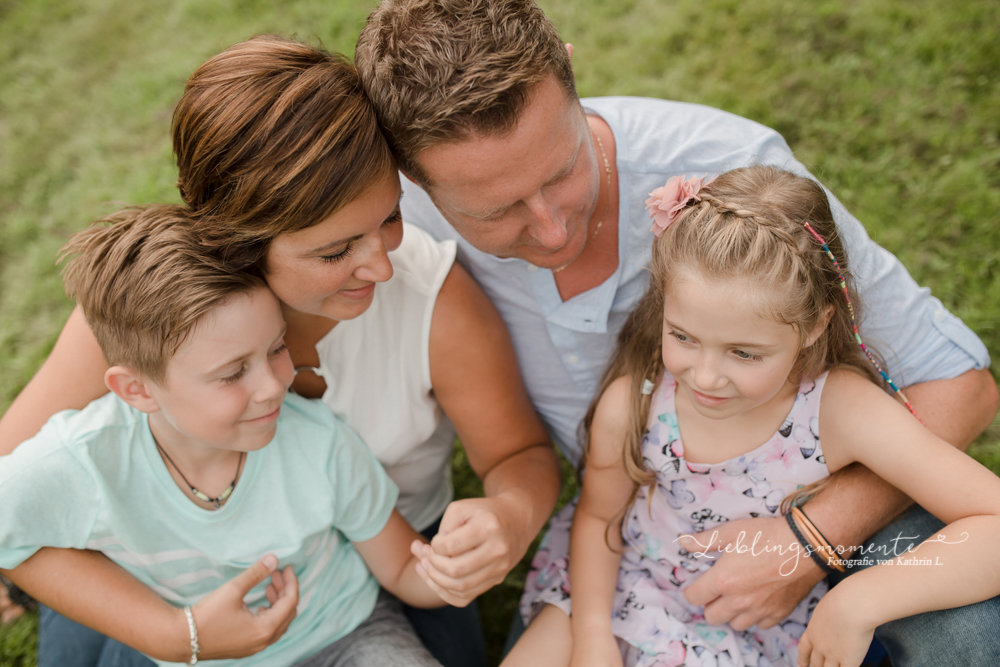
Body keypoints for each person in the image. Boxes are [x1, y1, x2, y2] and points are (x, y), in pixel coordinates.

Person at [353, 1, 999, 663]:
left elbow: (962, 384)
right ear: (412, 180)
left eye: (561, 172)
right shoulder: (392, 235)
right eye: (497, 211)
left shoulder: (735, 181)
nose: (550, 229)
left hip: (825, 489)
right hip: (636, 556)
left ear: (570, 75)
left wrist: (809, 537)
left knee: (973, 635)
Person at [0, 36, 560, 667]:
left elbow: (520, 454)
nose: (381, 265)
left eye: (391, 218)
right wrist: (167, 633)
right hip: (177, 586)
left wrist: (508, 516)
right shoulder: (148, 316)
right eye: (334, 251)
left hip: (377, 570)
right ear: (237, 242)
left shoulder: (428, 295)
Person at [501, 166, 1000, 667]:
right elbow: (599, 517)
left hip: (738, 632)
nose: (705, 376)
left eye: (743, 353)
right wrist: (592, 636)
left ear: (815, 325)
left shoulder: (839, 411)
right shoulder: (637, 399)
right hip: (608, 590)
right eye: (683, 337)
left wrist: (860, 599)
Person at [0, 204, 462, 667]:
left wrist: (455, 566)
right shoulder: (89, 462)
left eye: (276, 347)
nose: (273, 386)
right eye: (232, 372)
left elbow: (402, 567)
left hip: (344, 635)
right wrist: (176, 635)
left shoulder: (319, 443)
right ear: (137, 390)